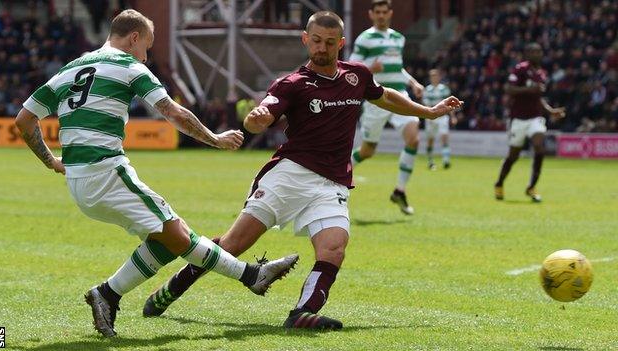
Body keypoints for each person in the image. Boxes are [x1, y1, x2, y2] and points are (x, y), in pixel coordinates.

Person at [141, 10, 462, 330]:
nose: (322, 48)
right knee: (232, 246)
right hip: (289, 176)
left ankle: (303, 313)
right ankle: (170, 290)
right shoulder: (293, 84)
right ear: (306, 40)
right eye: (317, 41)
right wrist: (257, 118)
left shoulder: (357, 76)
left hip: (332, 183)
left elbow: (385, 97)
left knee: (334, 248)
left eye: (330, 42)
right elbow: (266, 109)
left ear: (341, 43)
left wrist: (429, 113)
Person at [14, 9, 298, 338]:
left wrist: (51, 160)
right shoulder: (129, 67)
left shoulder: (71, 68)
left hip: (80, 181)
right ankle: (251, 276)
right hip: (107, 173)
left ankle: (107, 294)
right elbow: (172, 112)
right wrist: (215, 138)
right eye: (147, 46)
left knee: (164, 239)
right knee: (178, 233)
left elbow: (24, 119)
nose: (147, 56)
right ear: (134, 38)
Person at [348, 0, 425, 215]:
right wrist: (371, 67)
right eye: (377, 12)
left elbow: (397, 68)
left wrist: (413, 82)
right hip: (376, 97)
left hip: (400, 94)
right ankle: (339, 171)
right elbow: (352, 67)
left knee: (414, 138)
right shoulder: (365, 38)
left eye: (385, 12)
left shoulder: (398, 38)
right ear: (371, 14)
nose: (381, 15)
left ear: (390, 13)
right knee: (367, 151)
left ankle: (399, 191)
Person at [494, 43, 565, 202]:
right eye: (533, 51)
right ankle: (499, 183)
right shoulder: (520, 69)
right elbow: (509, 89)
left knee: (539, 148)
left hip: (535, 118)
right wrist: (528, 89)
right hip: (518, 119)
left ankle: (531, 187)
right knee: (513, 156)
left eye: (539, 51)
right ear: (527, 54)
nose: (537, 54)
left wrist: (551, 111)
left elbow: (538, 98)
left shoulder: (541, 73)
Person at [423, 68, 456, 170]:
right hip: (431, 117)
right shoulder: (427, 90)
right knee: (430, 140)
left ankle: (446, 161)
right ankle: (430, 161)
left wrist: (453, 116)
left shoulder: (444, 89)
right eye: (432, 76)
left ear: (439, 77)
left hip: (442, 117)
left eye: (436, 76)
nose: (434, 78)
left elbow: (451, 104)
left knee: (444, 137)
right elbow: (426, 105)